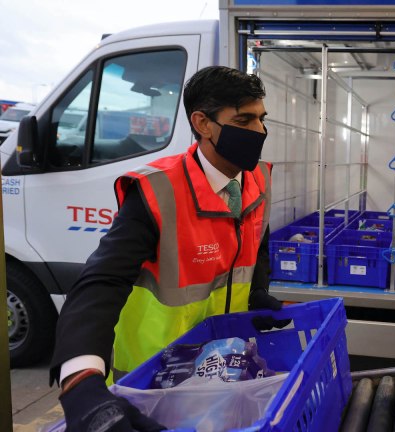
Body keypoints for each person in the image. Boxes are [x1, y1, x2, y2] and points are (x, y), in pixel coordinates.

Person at [49, 66, 286, 431]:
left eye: (261, 118)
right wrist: (80, 381)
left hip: (225, 370)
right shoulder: (157, 192)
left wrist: (258, 295)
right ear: (203, 123)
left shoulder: (257, 178)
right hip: (156, 381)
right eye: (245, 119)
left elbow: (256, 246)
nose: (260, 131)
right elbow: (101, 281)